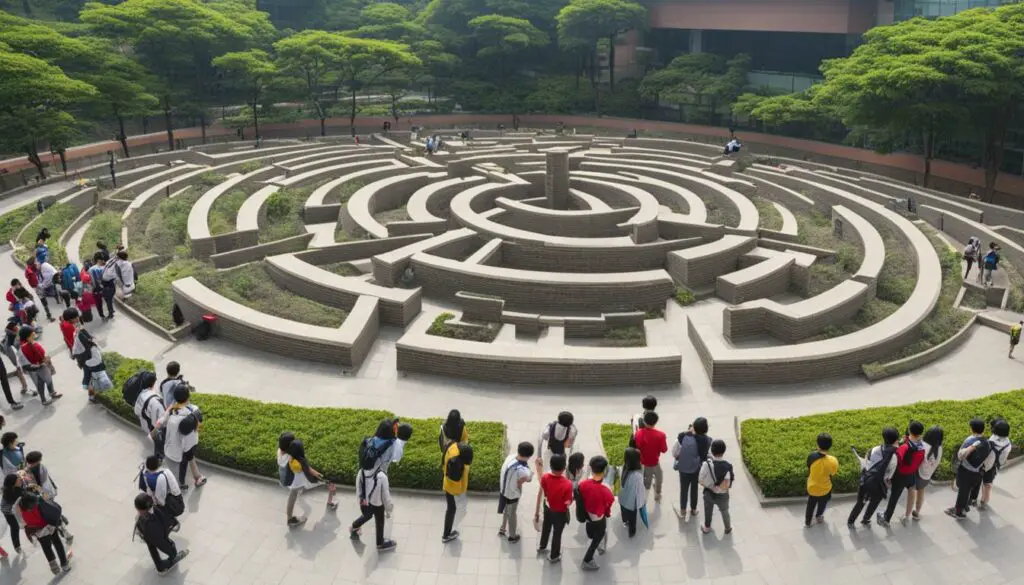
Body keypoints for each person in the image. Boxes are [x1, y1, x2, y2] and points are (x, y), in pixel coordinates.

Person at [157, 384, 207, 490]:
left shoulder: (171, 409)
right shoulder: (194, 410)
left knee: (182, 464)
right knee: (187, 460)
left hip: (175, 444)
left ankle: (186, 481)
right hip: (190, 443)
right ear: (188, 397)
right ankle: (190, 480)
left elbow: (163, 422)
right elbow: (199, 426)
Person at [848, 427, 899, 527]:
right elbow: (889, 476)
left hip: (866, 482)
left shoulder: (874, 449)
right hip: (879, 487)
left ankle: (851, 521)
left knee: (860, 503)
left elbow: (867, 464)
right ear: (896, 440)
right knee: (874, 503)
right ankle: (865, 519)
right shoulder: (894, 458)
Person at [878, 421, 925, 527]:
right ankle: (907, 516)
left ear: (909, 430)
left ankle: (886, 518)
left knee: (894, 497)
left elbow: (896, 460)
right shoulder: (922, 446)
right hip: (912, 474)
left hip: (900, 476)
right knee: (911, 493)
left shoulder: (904, 446)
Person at [349, 446, 396, 551]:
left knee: (367, 515)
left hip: (365, 502)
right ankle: (380, 543)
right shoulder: (381, 476)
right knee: (380, 521)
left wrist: (360, 501)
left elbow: (358, 489)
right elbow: (386, 497)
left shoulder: (361, 472)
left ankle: (354, 526)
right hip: (378, 503)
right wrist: (389, 510)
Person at [15, 491, 70, 574]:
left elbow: (21, 522)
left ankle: (54, 567)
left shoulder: (19, 507)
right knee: (57, 543)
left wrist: (28, 526)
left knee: (46, 547)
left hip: (38, 530)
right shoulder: (37, 502)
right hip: (48, 526)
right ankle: (64, 565)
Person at [134, 493, 188, 574]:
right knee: (170, 549)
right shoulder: (151, 522)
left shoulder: (144, 516)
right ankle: (169, 561)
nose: (137, 510)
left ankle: (159, 565)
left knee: (152, 547)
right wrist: (171, 549)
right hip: (153, 534)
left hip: (148, 534)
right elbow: (161, 542)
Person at [946, 418, 990, 519]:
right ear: (983, 430)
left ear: (971, 429)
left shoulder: (970, 440)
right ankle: (968, 504)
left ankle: (959, 512)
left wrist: (971, 448)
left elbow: (960, 455)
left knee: (963, 491)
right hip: (978, 472)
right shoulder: (986, 442)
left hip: (966, 471)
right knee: (970, 489)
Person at [283, 439, 332, 527]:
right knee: (293, 495)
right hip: (300, 479)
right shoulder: (301, 461)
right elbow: (309, 470)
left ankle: (289, 518)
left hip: (296, 477)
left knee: (293, 494)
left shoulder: (291, 457)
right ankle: (290, 519)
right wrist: (320, 476)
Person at [578, 455, 614, 571]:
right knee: (598, 538)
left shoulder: (583, 484)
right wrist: (607, 514)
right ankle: (587, 560)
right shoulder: (606, 490)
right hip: (599, 519)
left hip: (587, 517)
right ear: (604, 471)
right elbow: (607, 508)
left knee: (591, 533)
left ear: (591, 468)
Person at [534, 453, 572, 563]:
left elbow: (544, 490)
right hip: (560, 513)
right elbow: (567, 503)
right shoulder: (567, 484)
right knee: (557, 533)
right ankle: (554, 555)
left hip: (547, 507)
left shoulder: (545, 477)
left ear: (550, 466)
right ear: (564, 467)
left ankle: (542, 546)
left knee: (546, 527)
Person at [672, 417, 712, 520]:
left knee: (684, 490)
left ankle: (683, 511)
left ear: (693, 427)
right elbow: (703, 457)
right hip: (696, 469)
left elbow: (676, 445)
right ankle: (693, 510)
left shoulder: (683, 437)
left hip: (683, 469)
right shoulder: (706, 440)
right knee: (694, 489)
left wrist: (689, 431)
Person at [968, 419, 1012, 511]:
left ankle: (973, 499)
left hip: (983, 465)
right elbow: (1003, 459)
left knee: (976, 482)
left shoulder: (991, 441)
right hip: (993, 468)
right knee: (987, 485)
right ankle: (984, 502)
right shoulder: (1008, 444)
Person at [497, 441, 535, 543]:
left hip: (503, 490)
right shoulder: (522, 469)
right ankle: (512, 536)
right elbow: (529, 478)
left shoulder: (510, 457)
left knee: (506, 509)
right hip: (512, 494)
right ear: (529, 456)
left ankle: (502, 528)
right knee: (512, 514)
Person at [906, 425, 943, 522]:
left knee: (911, 492)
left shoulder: (923, 445)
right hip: (927, 477)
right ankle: (917, 513)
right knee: (921, 492)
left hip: (917, 474)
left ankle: (907, 515)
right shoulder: (940, 449)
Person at [138, 455, 183, 531]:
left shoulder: (159, 479)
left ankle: (171, 523)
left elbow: (161, 501)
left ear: (148, 467)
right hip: (177, 499)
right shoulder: (166, 471)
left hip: (174, 505)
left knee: (155, 509)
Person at [19, 326, 61, 405]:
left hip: (43, 366)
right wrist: (39, 366)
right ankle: (43, 400)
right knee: (40, 384)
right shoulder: (23, 349)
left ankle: (52, 393)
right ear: (27, 337)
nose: (34, 334)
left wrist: (47, 360)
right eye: (32, 333)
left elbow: (41, 353)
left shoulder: (33, 343)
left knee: (49, 380)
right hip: (36, 370)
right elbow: (25, 365)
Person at [442, 441, 473, 543]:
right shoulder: (456, 463)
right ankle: (447, 534)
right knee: (453, 509)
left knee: (452, 508)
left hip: (447, 483)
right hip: (453, 489)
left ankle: (448, 531)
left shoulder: (453, 446)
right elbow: (456, 479)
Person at [805, 432, 839, 527]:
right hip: (825, 488)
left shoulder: (811, 456)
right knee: (822, 504)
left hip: (812, 487)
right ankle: (819, 516)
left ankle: (808, 521)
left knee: (810, 505)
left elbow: (808, 467)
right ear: (830, 446)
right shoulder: (833, 461)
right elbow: (833, 473)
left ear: (817, 444)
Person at [634, 411, 667, 502]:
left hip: (642, 461)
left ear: (644, 421)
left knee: (647, 479)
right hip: (654, 461)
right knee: (659, 477)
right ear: (655, 422)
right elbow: (664, 450)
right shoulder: (661, 435)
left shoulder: (638, 434)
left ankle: (645, 492)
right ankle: (657, 493)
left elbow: (637, 446)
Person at [133, 373, 164, 457]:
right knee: (159, 444)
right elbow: (160, 422)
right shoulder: (156, 400)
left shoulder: (141, 394)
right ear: (154, 383)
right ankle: (159, 456)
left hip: (145, 426)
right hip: (153, 430)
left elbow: (136, 411)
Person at [1, 317, 31, 401]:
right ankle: (25, 387)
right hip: (16, 358)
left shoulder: (10, 335)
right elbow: (14, 350)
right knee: (21, 371)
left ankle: (24, 386)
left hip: (15, 357)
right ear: (13, 329)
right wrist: (18, 363)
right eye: (16, 328)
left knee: (20, 371)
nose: (17, 328)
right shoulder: (12, 338)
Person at [618, 448, 645, 538]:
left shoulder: (623, 467)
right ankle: (631, 532)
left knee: (624, 512)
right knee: (632, 518)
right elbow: (640, 490)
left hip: (622, 496)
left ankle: (625, 521)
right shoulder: (638, 475)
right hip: (632, 501)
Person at [2, 473, 24, 555]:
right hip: (7, 512)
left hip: (12, 510)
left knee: (17, 526)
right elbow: (22, 495)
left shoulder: (13, 488)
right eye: (18, 479)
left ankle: (17, 546)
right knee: (15, 527)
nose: (20, 480)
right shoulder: (11, 491)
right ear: (13, 482)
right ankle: (17, 546)